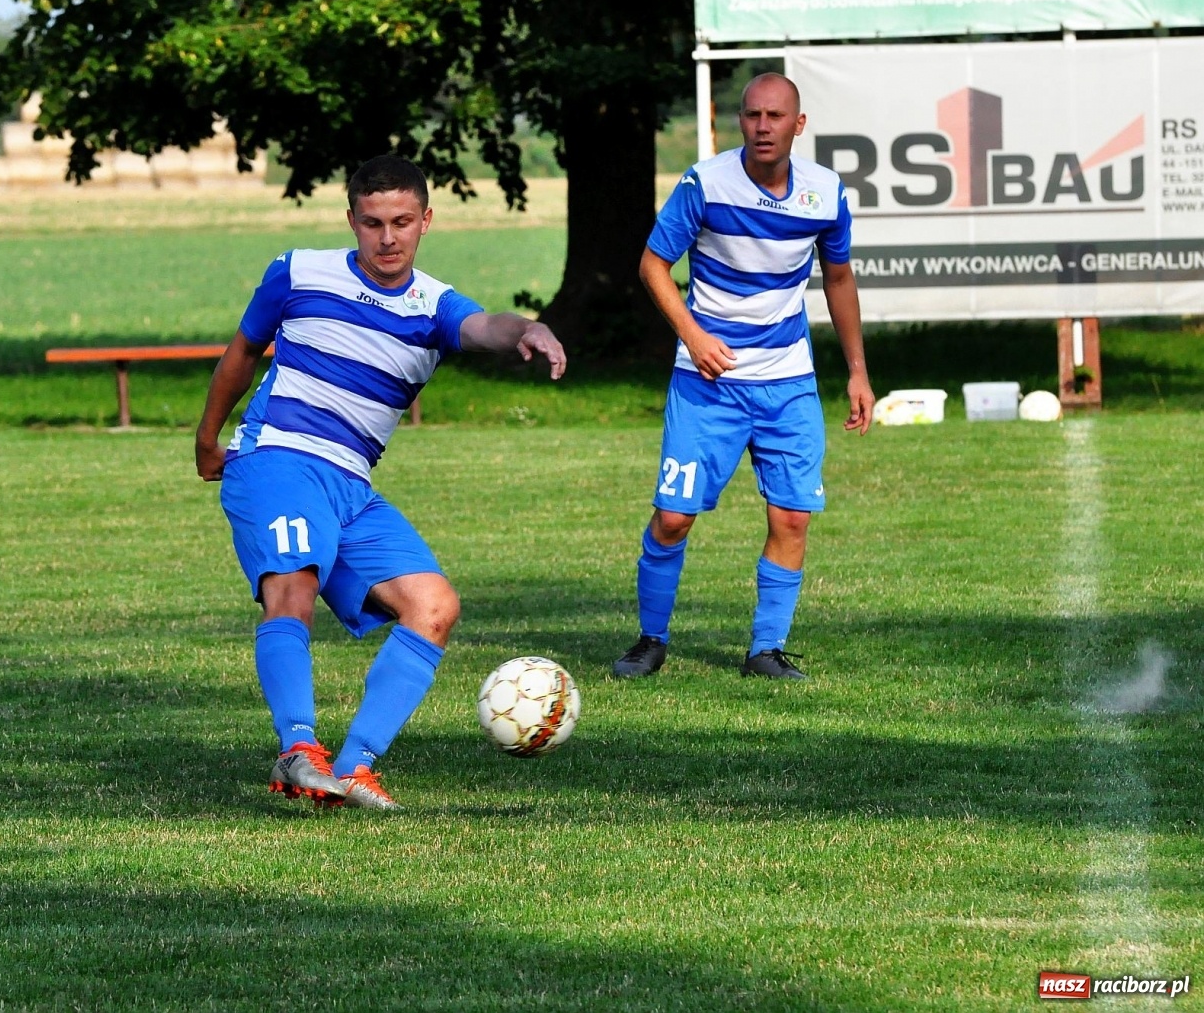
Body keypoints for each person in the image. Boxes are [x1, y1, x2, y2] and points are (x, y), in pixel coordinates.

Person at [196, 154, 566, 810]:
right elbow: (243, 353)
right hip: (280, 458)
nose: (387, 237)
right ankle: (298, 746)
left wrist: (527, 330)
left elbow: (484, 327)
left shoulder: (433, 305)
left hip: (351, 486)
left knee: (434, 606)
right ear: (352, 221)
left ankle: (353, 766)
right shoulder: (297, 272)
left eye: (401, 221)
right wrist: (207, 435)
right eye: (372, 223)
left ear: (426, 220)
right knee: (293, 585)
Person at [611, 72, 874, 682]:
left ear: (797, 125)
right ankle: (650, 639)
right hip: (708, 382)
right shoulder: (706, 183)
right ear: (741, 122)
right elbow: (653, 265)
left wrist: (857, 371)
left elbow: (838, 279)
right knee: (674, 517)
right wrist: (693, 336)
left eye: (775, 116)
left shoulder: (826, 193)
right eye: (752, 115)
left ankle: (766, 649)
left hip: (788, 382)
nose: (763, 126)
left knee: (791, 518)